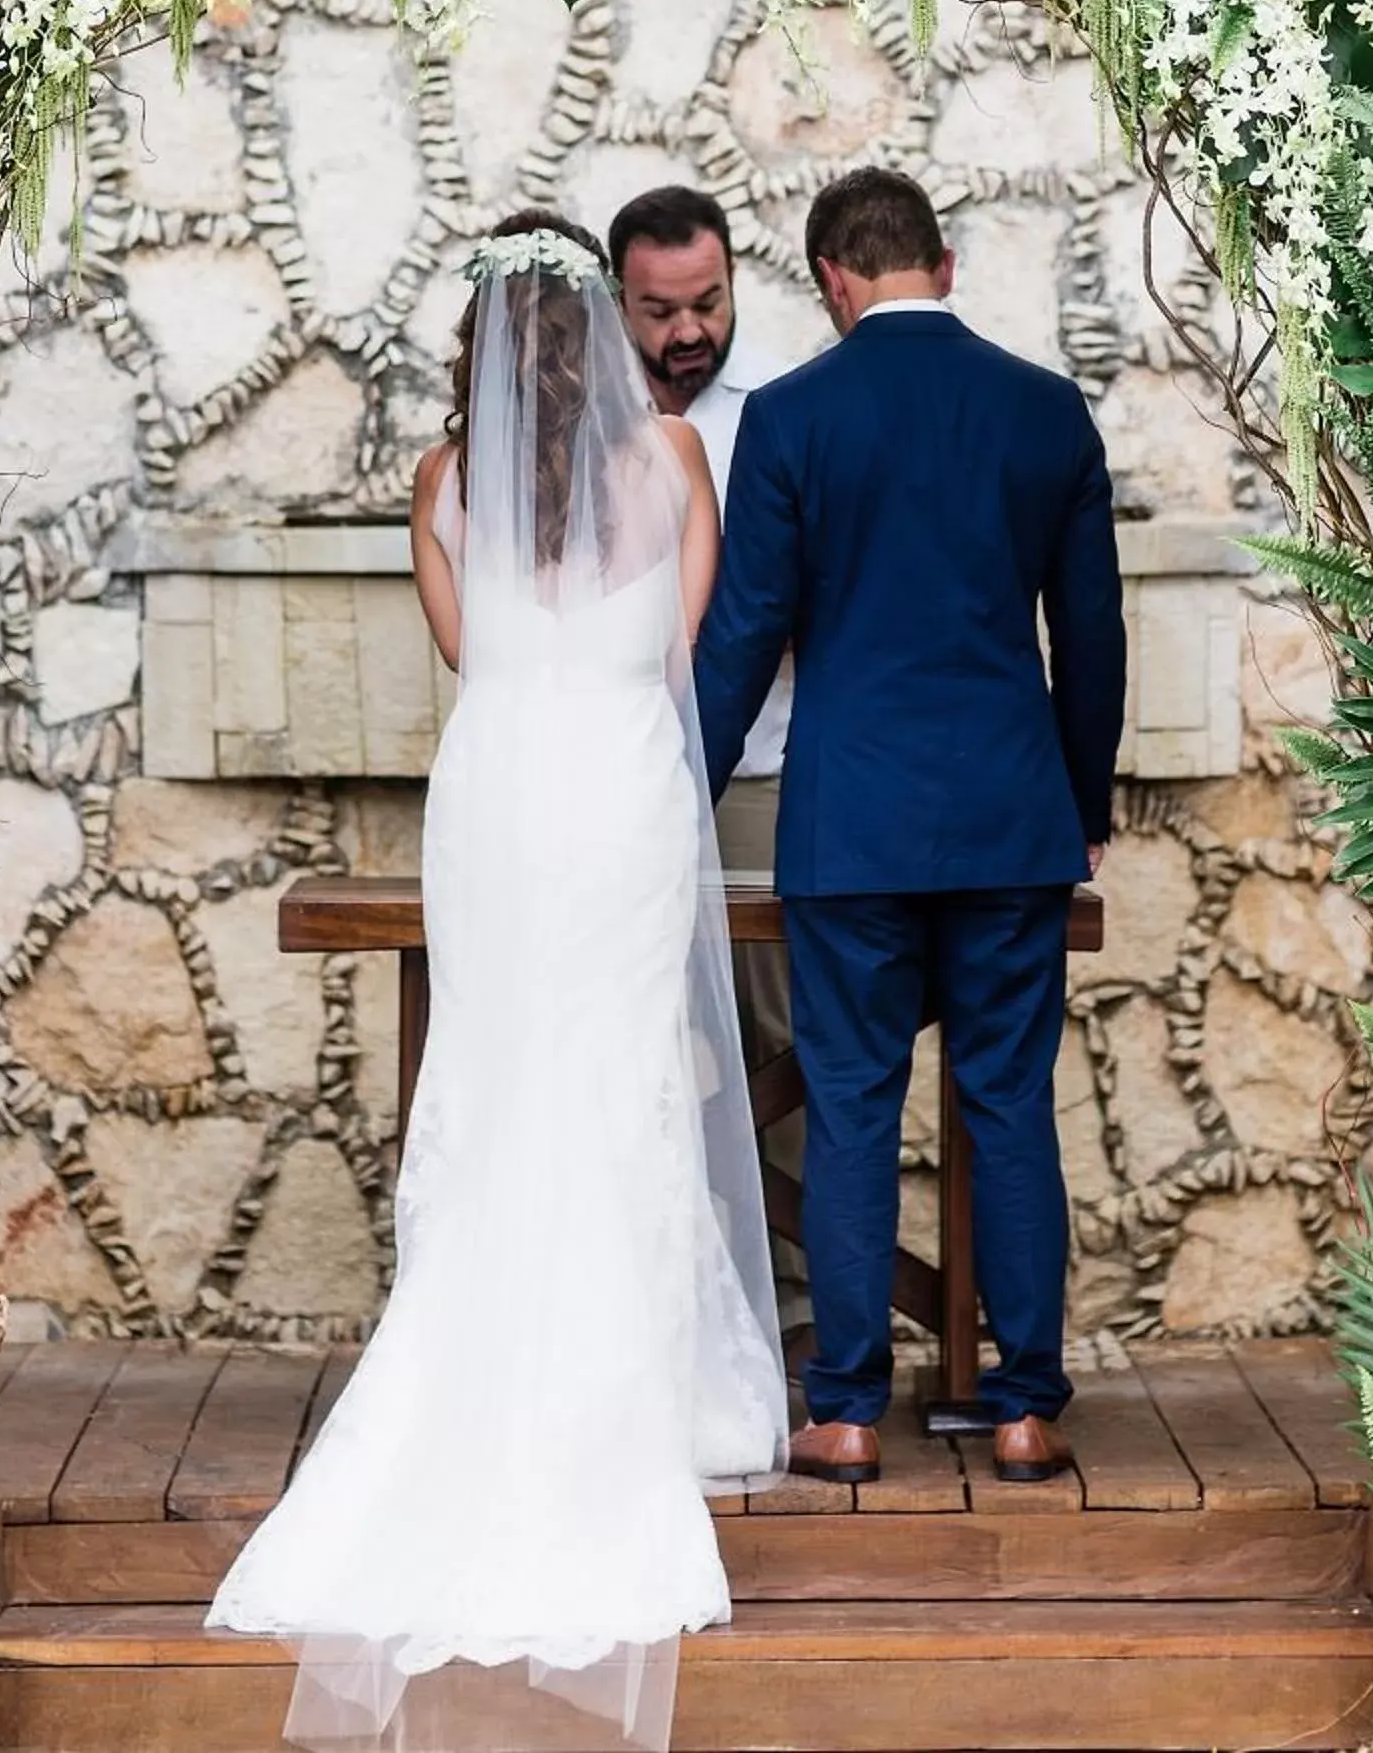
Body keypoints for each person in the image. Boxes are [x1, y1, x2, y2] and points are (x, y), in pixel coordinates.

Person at [209, 213, 786, 1752]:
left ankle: (469, 1356)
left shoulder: (442, 483)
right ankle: (634, 1396)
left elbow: (466, 652)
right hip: (615, 792)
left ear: (476, 349)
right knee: (620, 1070)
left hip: (499, 796)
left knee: (503, 1070)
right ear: (601, 335)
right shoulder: (669, 463)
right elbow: (686, 637)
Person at [694, 168, 1126, 1491]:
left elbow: (741, 637)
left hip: (854, 824)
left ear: (832, 282)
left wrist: (674, 798)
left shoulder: (789, 417)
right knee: (1005, 1107)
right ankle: (1021, 1408)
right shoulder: (1046, 414)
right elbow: (1092, 640)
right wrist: (1082, 804)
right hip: (1007, 820)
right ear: (939, 262)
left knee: (847, 1107)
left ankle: (838, 1412)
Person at [607, 187, 807, 1346]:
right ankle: (648, 1308)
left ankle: (784, 1310)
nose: (687, 332)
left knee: (772, 1051)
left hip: (757, 777)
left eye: (708, 303)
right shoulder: (571, 412)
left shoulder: (777, 408)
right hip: (611, 783)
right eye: (659, 310)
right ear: (616, 301)